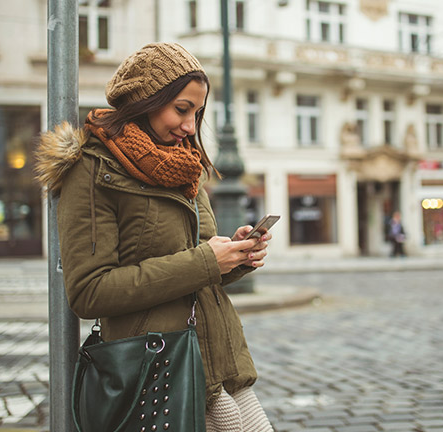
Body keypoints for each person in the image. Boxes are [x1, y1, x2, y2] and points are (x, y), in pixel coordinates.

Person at [34, 43, 274, 432]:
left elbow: (199, 265)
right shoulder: (92, 170)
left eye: (197, 113)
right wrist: (206, 261)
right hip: (156, 373)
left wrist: (235, 257)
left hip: (219, 371)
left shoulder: (184, 165)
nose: (190, 127)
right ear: (144, 101)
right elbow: (89, 291)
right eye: (181, 109)